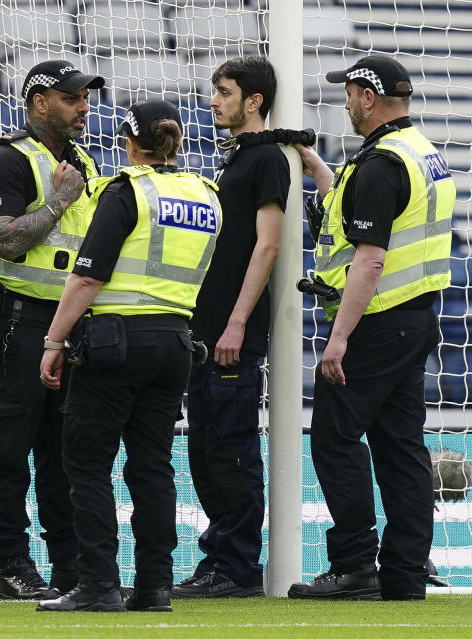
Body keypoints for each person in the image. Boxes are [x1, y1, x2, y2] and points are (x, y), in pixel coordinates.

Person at [36, 100, 223, 613]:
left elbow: (89, 275)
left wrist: (54, 340)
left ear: (131, 142)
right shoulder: (207, 195)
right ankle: (155, 587)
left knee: (87, 462)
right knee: (152, 467)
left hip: (115, 341)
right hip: (177, 343)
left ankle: (97, 583)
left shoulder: (125, 191)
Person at [286, 54, 455, 601]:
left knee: (335, 438)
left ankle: (355, 562)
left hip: (376, 320)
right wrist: (317, 169)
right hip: (414, 316)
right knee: (400, 446)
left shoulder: (382, 163)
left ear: (368, 96)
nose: (345, 102)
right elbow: (365, 211)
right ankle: (405, 572)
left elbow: (371, 258)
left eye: (350, 91)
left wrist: (338, 341)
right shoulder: (421, 152)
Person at [0, 60, 104, 600]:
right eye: (71, 98)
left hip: (68, 325)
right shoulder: (4, 161)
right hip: (13, 322)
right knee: (7, 446)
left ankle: (69, 566)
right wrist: (58, 201)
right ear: (39, 102)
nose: (83, 107)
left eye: (84, 97)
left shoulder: (84, 161)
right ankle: (13, 563)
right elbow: (6, 240)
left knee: (65, 451)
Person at [171, 56, 289, 599]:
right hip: (208, 331)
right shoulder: (238, 159)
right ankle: (220, 559)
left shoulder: (264, 160)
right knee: (207, 451)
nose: (213, 101)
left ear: (254, 101)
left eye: (222, 92)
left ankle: (237, 568)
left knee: (231, 451)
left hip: (230, 335)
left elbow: (268, 244)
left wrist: (237, 323)